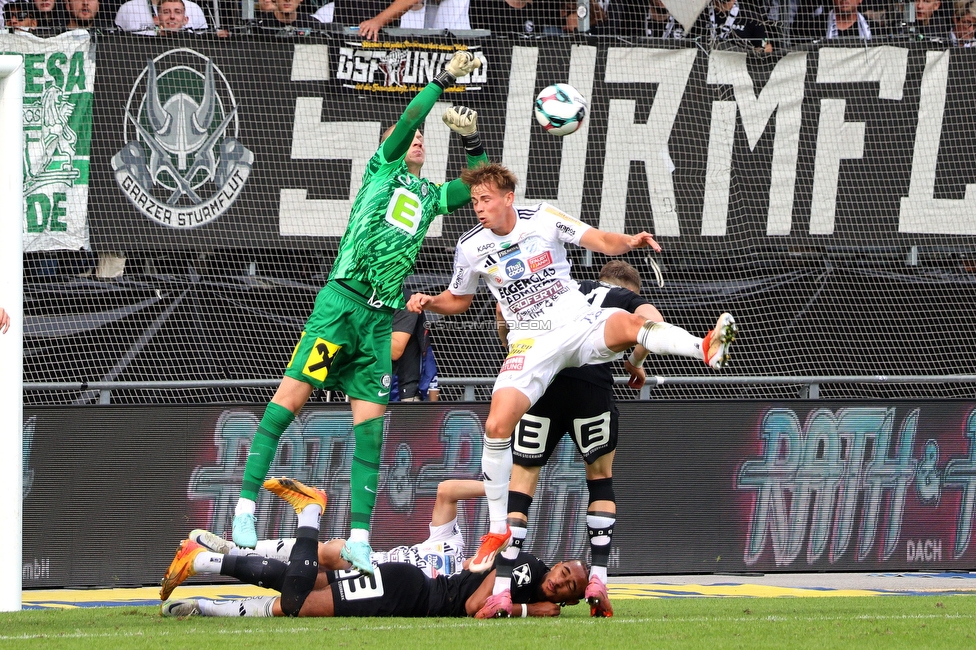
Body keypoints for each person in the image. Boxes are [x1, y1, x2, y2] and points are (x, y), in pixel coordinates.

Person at [406, 162, 737, 618]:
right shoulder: (470, 247)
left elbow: (599, 241)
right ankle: (498, 529)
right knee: (496, 423)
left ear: (507, 197)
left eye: (484, 199)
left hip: (575, 324)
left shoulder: (541, 217)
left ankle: (702, 348)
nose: (477, 208)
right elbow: (459, 300)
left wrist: (631, 242)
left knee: (630, 325)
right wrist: (429, 300)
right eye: (474, 201)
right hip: (530, 342)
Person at [229, 51, 486, 578]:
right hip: (340, 306)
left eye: (421, 139)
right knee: (287, 404)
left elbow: (477, 189)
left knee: (371, 432)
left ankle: (360, 541)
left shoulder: (430, 195)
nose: (416, 139)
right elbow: (413, 117)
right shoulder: (383, 167)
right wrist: (441, 82)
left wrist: (471, 141)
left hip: (377, 321)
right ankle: (245, 509)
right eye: (408, 134)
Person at [160, 477, 586, 618]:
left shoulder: (520, 579)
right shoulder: (521, 565)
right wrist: (503, 489)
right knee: (297, 602)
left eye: (569, 588)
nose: (561, 583)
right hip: (401, 584)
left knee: (298, 590)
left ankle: (203, 562)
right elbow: (480, 605)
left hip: (396, 582)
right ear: (559, 563)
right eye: (566, 572)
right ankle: (307, 513)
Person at [492, 260, 654, 618]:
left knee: (522, 481)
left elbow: (504, 312)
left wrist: (511, 345)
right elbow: (649, 323)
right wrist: (635, 361)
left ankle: (502, 589)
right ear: (625, 288)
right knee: (599, 479)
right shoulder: (621, 297)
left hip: (545, 382)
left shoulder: (562, 287)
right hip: (592, 387)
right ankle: (598, 576)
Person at [190, 478, 482, 578]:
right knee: (326, 555)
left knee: (304, 580)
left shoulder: (459, 587)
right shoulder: (452, 543)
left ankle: (225, 558)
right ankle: (233, 551)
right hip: (369, 563)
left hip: (384, 586)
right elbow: (446, 490)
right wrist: (500, 490)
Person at [390, 291, 434, 402]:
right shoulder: (362, 299)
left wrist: (358, 327)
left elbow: (394, 351)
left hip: (404, 392)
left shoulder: (405, 299)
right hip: (367, 386)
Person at [115, 0, 207, 34]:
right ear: (156, 19)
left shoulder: (194, 8)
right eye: (166, 12)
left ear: (185, 19)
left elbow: (204, 43)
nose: (172, 16)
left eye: (177, 12)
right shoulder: (128, 8)